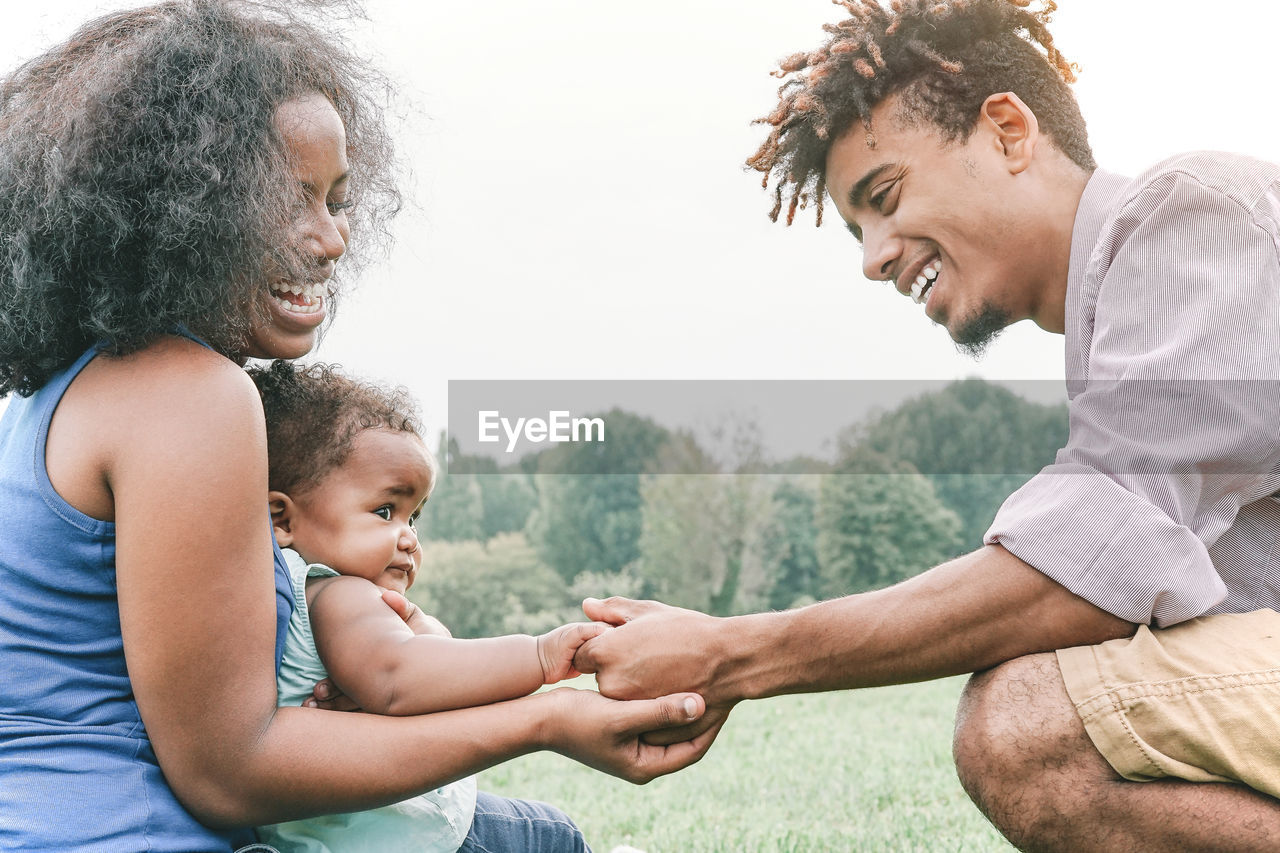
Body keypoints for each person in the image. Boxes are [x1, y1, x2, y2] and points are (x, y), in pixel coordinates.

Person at [0, 3, 709, 851]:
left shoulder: (54, 400)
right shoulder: (191, 393)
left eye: (339, 199)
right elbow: (231, 771)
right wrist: (545, 721)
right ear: (176, 204)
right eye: (288, 199)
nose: (333, 239)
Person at [572, 1, 1280, 850]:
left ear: (1009, 131)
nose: (873, 259)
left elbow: (1084, 568)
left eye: (885, 194)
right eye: (858, 230)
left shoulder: (1188, 219)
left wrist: (730, 653)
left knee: (1026, 720)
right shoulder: (1119, 312)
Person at [248, 359, 607, 853]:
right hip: (418, 838)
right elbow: (402, 676)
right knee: (554, 834)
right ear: (282, 519)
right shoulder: (338, 593)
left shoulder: (274, 594)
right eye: (384, 511)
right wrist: (540, 655)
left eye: (414, 517)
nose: (410, 538)